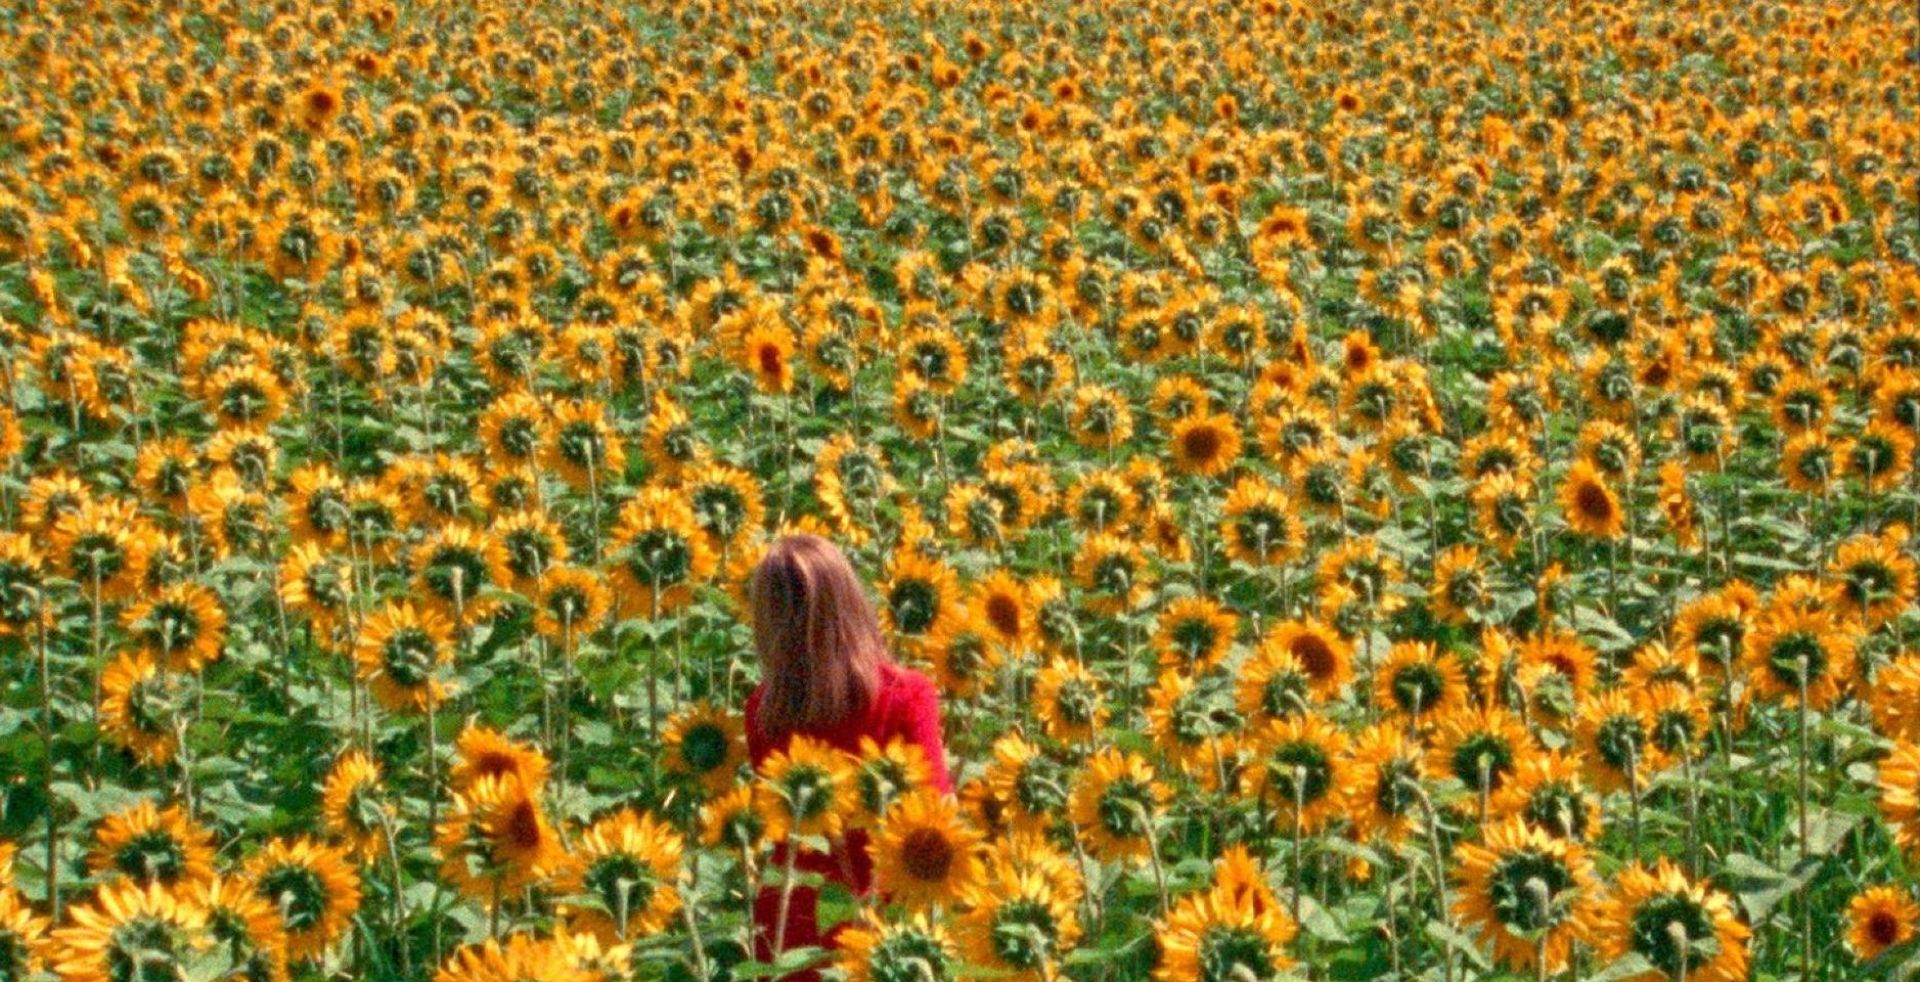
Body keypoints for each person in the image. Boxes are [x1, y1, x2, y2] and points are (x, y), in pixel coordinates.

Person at [743, 534, 952, 980]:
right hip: (885, 925)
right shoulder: (906, 695)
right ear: (850, 604)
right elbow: (936, 814)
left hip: (792, 924)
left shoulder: (763, 711)